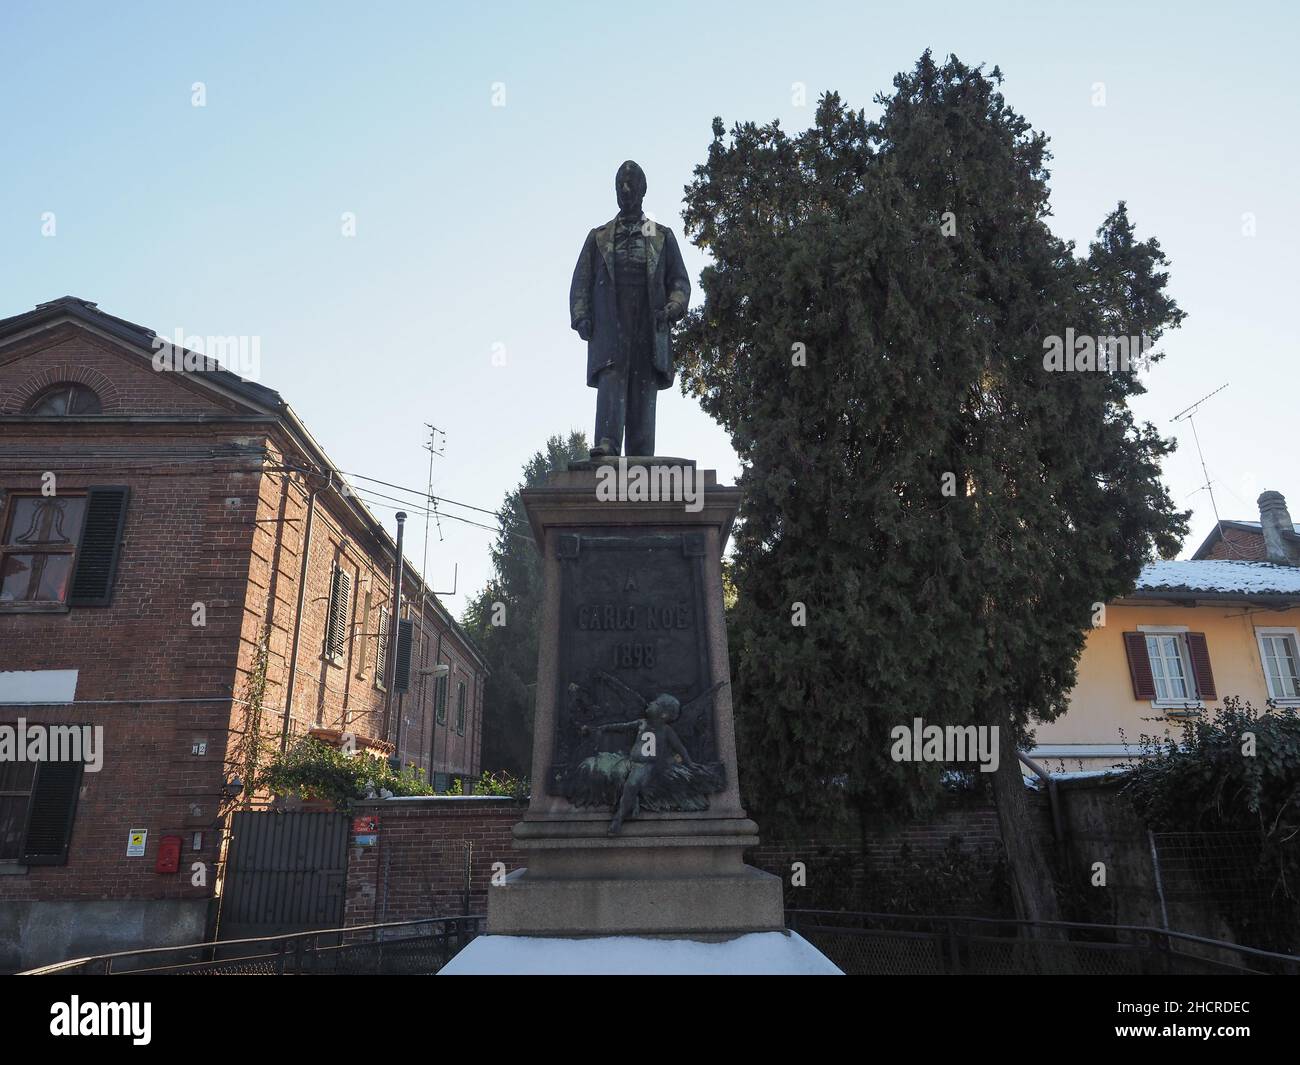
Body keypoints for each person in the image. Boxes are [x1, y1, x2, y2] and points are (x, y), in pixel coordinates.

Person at [569, 160, 691, 458]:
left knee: (643, 384)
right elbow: (581, 281)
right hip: (611, 321)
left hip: (649, 322)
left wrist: (674, 306)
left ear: (643, 190)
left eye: (631, 184)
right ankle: (607, 442)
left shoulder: (662, 235)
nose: (625, 190)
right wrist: (581, 315)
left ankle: (640, 451)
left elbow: (679, 281)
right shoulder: (598, 236)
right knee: (612, 378)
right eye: (620, 185)